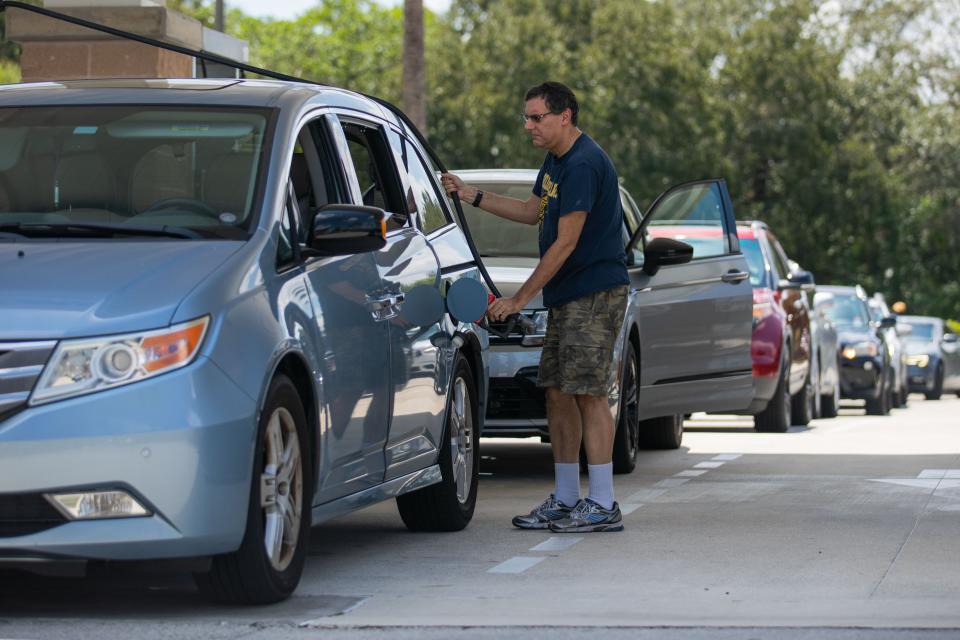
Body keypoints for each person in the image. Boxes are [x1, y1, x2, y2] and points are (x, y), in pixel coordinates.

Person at [442, 82, 629, 533]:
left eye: (536, 117)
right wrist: (470, 195)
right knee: (558, 394)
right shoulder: (556, 161)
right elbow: (532, 212)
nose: (529, 125)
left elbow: (566, 243)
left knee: (588, 392)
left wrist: (518, 299)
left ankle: (602, 503)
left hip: (594, 293)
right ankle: (566, 498)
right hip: (566, 295)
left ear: (564, 116)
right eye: (526, 117)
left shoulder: (583, 164)